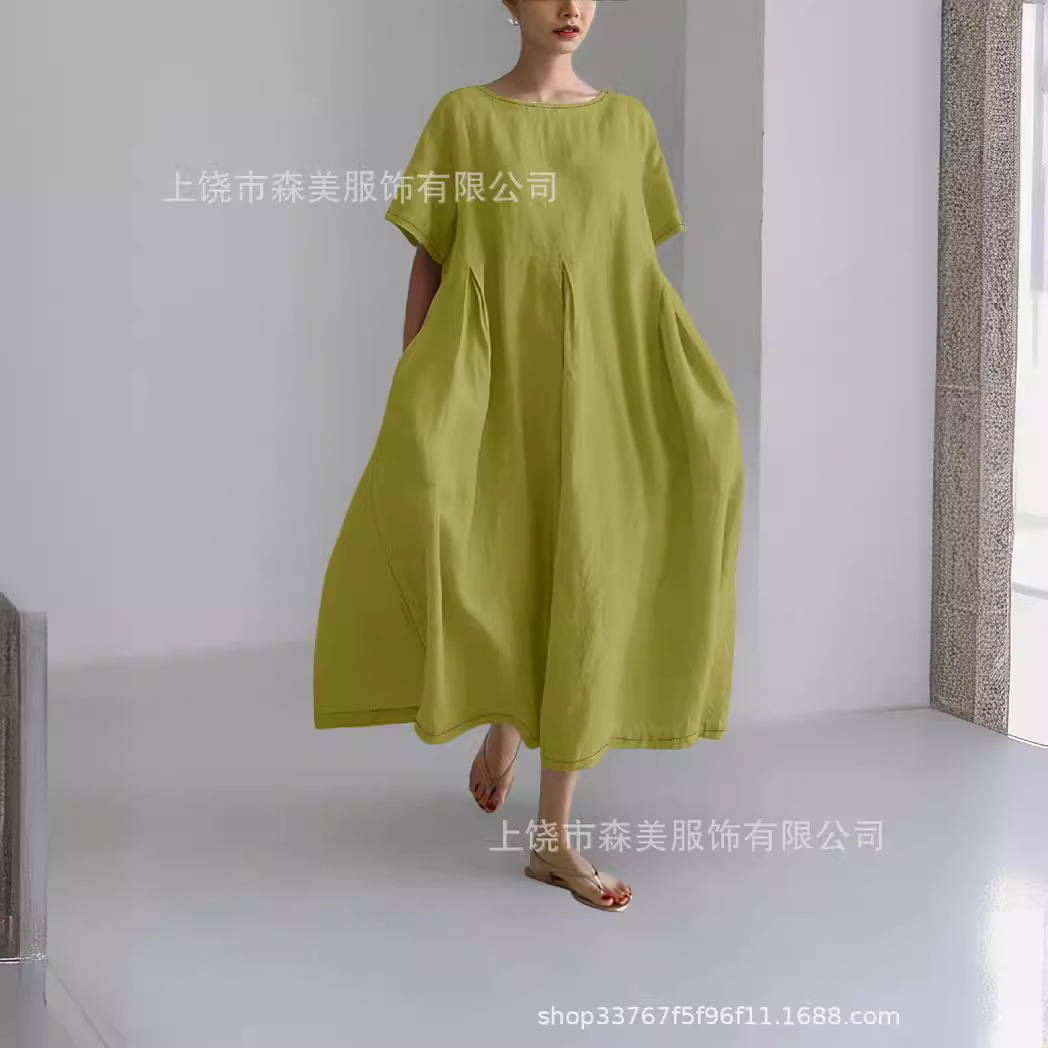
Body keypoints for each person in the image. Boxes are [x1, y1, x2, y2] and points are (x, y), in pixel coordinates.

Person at [313, 0, 744, 912]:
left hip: (602, 390)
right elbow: (431, 260)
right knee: (497, 554)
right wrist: (415, 382)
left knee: (584, 579)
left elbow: (632, 273)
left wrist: (681, 388)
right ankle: (507, 717)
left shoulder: (627, 125)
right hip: (494, 379)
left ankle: (553, 837)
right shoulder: (464, 118)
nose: (570, 7)